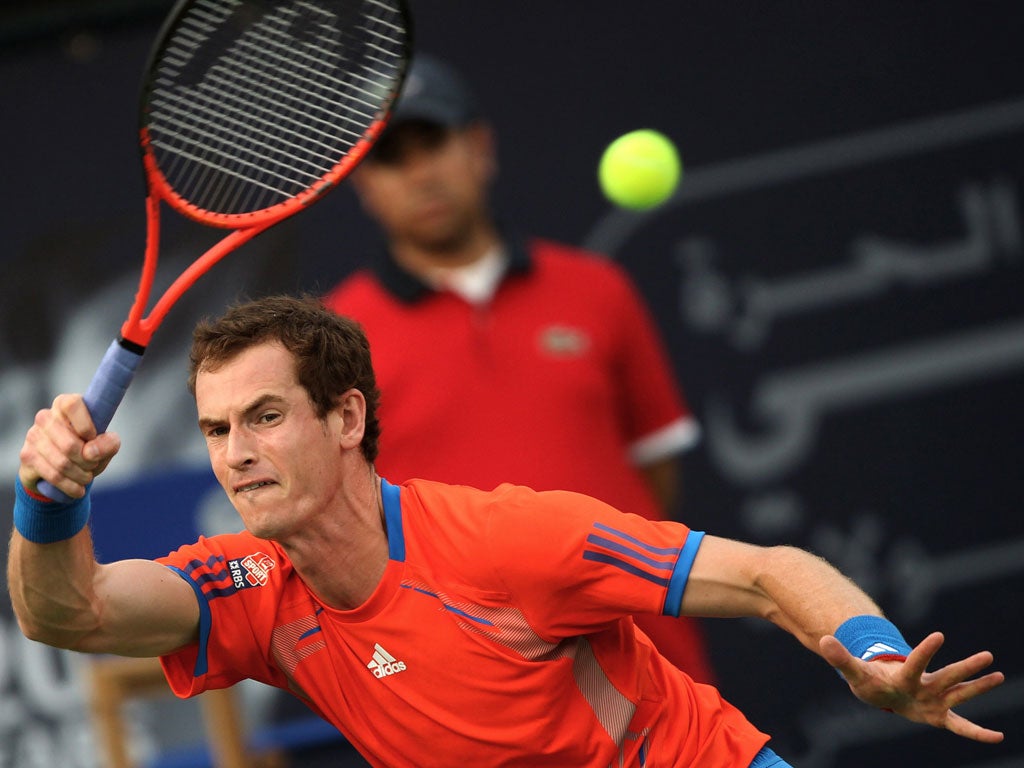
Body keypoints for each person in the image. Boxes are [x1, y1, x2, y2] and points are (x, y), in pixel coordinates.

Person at [9, 295, 1005, 768]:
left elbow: (765, 571)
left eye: (265, 418)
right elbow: (73, 614)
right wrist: (51, 502)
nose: (234, 454)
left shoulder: (507, 540)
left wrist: (870, 656)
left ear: (348, 418)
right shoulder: (257, 593)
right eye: (216, 429)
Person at [323, 53, 713, 684]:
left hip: (655, 668)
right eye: (392, 158)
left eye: (434, 145)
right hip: (478, 689)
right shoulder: (333, 339)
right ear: (365, 185)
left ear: (480, 147)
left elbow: (655, 479)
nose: (420, 174)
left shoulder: (599, 290)